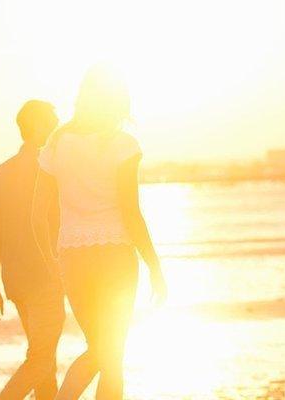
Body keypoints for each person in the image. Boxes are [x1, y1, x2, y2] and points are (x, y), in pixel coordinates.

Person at [32, 66, 167, 400]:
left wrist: (52, 258)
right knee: (110, 354)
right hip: (115, 256)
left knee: (102, 352)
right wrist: (154, 265)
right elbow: (131, 212)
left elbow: (37, 213)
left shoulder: (58, 142)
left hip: (73, 257)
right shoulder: (123, 145)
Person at [0, 100, 65, 400]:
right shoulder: (50, 169)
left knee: (44, 361)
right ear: (38, 126)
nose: (56, 129)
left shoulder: (1, 172)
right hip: (45, 277)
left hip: (15, 279)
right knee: (41, 360)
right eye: (53, 123)